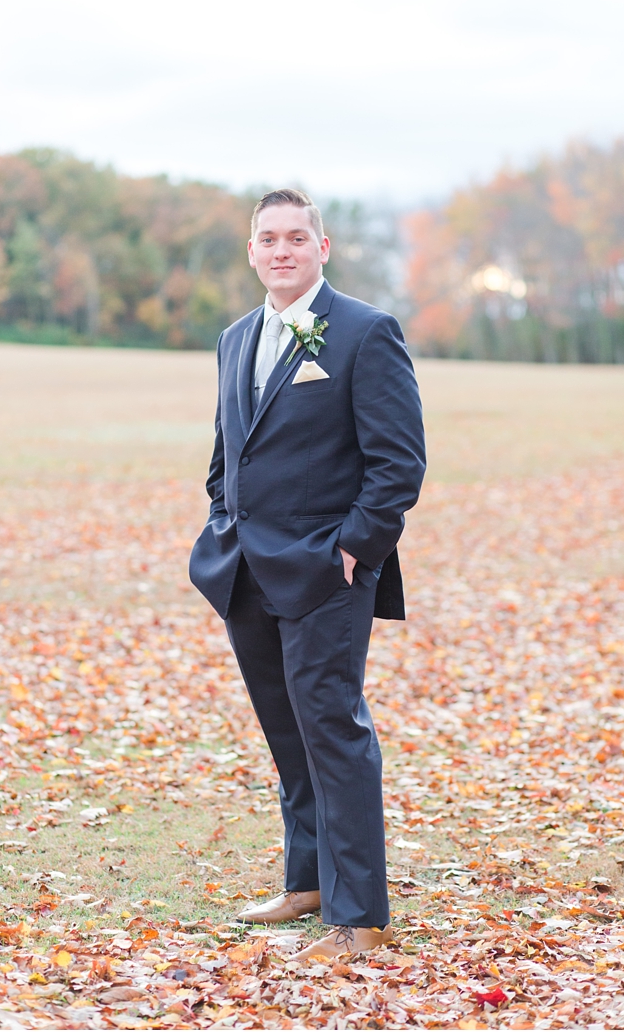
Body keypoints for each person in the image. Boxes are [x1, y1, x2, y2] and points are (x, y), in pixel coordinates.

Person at [188, 188, 426, 961]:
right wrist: (222, 519)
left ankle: (358, 916)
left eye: (297, 237)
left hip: (328, 571)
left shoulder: (364, 332)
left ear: (323, 247)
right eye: (269, 238)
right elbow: (230, 450)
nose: (282, 249)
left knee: (333, 729)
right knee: (285, 730)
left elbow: (399, 463)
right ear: (252, 251)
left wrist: (355, 548)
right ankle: (309, 879)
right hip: (245, 569)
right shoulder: (234, 338)